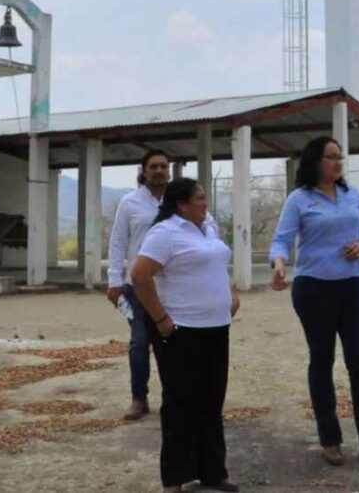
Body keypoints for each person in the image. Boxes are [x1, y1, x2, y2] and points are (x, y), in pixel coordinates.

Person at [269, 136, 359, 468]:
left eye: (340, 157)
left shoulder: (352, 195)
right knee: (321, 362)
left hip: (352, 288)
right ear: (316, 161)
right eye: (331, 157)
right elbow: (281, 240)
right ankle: (330, 439)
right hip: (313, 290)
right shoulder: (299, 199)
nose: (338, 162)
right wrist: (278, 264)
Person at [131, 177, 240, 493]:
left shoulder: (206, 229)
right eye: (201, 198)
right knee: (180, 404)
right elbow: (140, 275)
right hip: (182, 331)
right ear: (182, 204)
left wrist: (230, 294)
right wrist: (161, 319)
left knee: (211, 401)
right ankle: (174, 479)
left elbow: (216, 265)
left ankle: (212, 472)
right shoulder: (165, 233)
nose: (206, 203)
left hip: (215, 329)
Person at [105, 149, 170, 421]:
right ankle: (138, 398)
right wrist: (114, 280)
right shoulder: (129, 203)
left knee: (171, 345)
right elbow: (118, 242)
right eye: (153, 166)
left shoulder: (177, 202)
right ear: (143, 172)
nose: (159, 171)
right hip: (136, 285)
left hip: (169, 286)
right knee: (139, 343)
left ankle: (173, 399)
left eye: (163, 167)